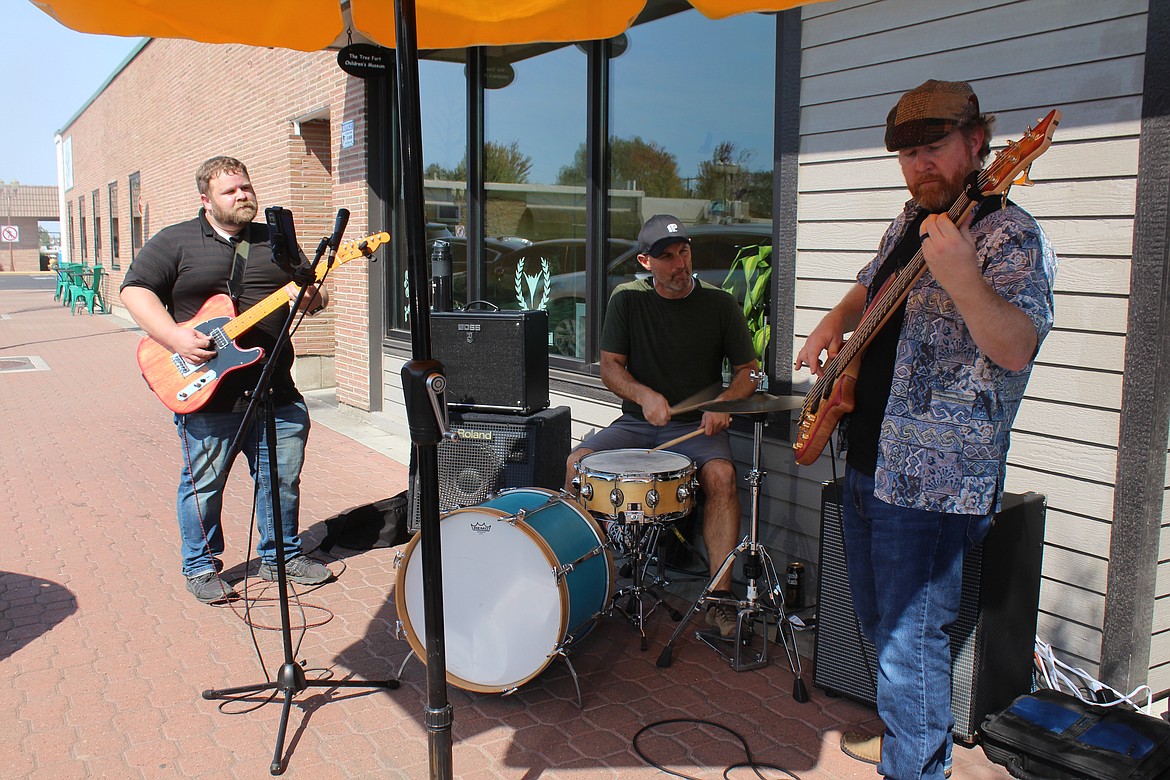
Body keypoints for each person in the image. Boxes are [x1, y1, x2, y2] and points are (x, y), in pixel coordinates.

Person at [795, 80, 1057, 779]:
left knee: (910, 647)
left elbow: (1015, 346)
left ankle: (916, 767)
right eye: (908, 155)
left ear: (977, 142)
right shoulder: (911, 217)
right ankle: (914, 746)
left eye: (934, 148)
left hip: (933, 487)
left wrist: (965, 278)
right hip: (866, 465)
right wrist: (834, 319)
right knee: (885, 637)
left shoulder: (1010, 233)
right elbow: (871, 283)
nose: (920, 166)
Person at [121, 155, 333, 604]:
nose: (243, 195)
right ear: (206, 200)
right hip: (208, 395)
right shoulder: (175, 240)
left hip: (276, 388)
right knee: (204, 485)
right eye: (230, 190)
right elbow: (134, 290)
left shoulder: (277, 240)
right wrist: (174, 337)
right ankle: (200, 566)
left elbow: (315, 295)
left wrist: (313, 295)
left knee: (281, 480)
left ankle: (281, 555)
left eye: (246, 187)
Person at [564, 214, 759, 637]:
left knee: (723, 477)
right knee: (577, 464)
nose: (679, 263)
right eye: (667, 257)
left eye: (683, 252)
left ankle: (719, 600)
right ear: (646, 262)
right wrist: (644, 396)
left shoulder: (719, 304)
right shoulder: (628, 299)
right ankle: (581, 583)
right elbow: (610, 368)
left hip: (697, 428)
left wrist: (725, 403)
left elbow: (749, 370)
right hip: (637, 423)